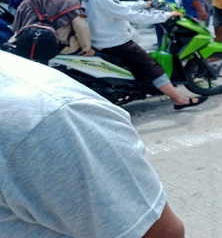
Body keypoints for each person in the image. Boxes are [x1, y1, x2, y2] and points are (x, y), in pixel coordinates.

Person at [0, 51, 187, 237]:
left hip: (87, 47)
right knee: (149, 64)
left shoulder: (48, 115)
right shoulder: (42, 118)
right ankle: (178, 97)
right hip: (112, 41)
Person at [75, 0, 207, 110]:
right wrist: (165, 16)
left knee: (141, 64)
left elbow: (119, 6)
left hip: (103, 39)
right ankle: (179, 99)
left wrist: (144, 4)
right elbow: (131, 15)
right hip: (114, 41)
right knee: (152, 66)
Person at [12, 0, 94, 56]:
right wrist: (87, 48)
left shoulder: (26, 3)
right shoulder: (68, 0)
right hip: (61, 49)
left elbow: (16, 28)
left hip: (30, 48)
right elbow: (81, 27)